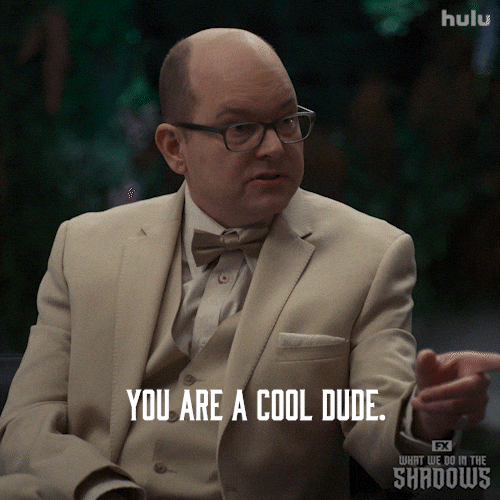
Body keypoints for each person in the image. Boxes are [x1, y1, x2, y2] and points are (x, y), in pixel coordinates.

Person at [0, 28, 499, 500]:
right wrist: (97, 489)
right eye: (241, 129)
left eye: (287, 122)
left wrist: (425, 422)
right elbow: (26, 421)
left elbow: (380, 428)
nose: (275, 147)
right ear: (174, 148)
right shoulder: (84, 246)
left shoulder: (372, 254)